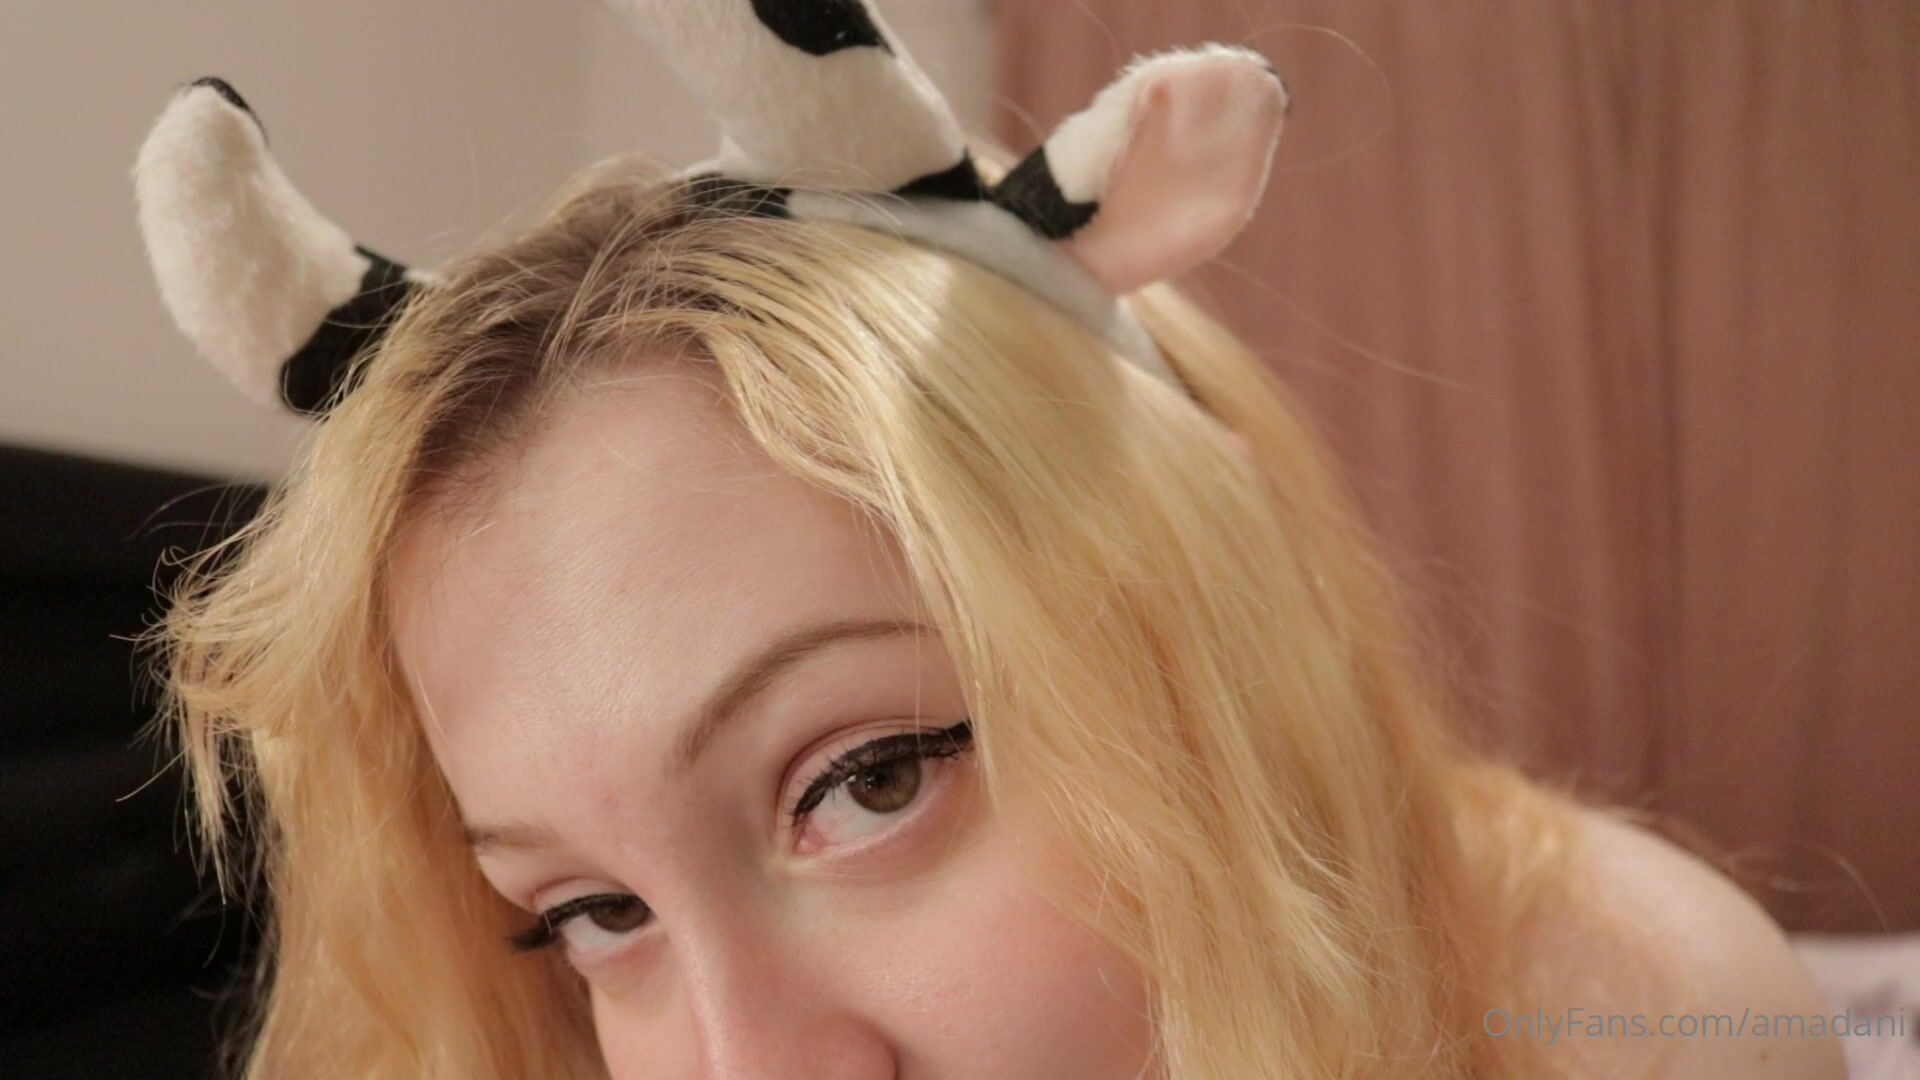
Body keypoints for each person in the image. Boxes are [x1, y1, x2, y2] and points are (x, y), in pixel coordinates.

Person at [131, 4, 1842, 1078]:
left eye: (870, 780)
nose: (748, 1068)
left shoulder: (1645, 1006)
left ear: (1203, 635)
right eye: (591, 912)